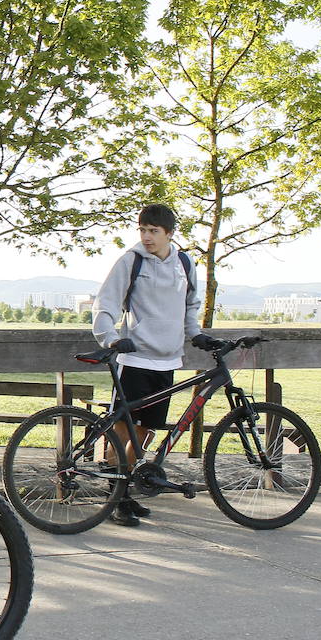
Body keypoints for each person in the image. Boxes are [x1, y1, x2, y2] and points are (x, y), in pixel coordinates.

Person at [92, 204, 219, 527]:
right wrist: (109, 338)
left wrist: (196, 335)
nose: (147, 237)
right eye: (143, 230)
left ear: (169, 234)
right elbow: (105, 302)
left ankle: (127, 492)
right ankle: (115, 496)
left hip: (168, 360)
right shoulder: (131, 261)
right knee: (123, 431)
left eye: (153, 231)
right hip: (134, 357)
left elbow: (189, 305)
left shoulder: (184, 263)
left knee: (146, 430)